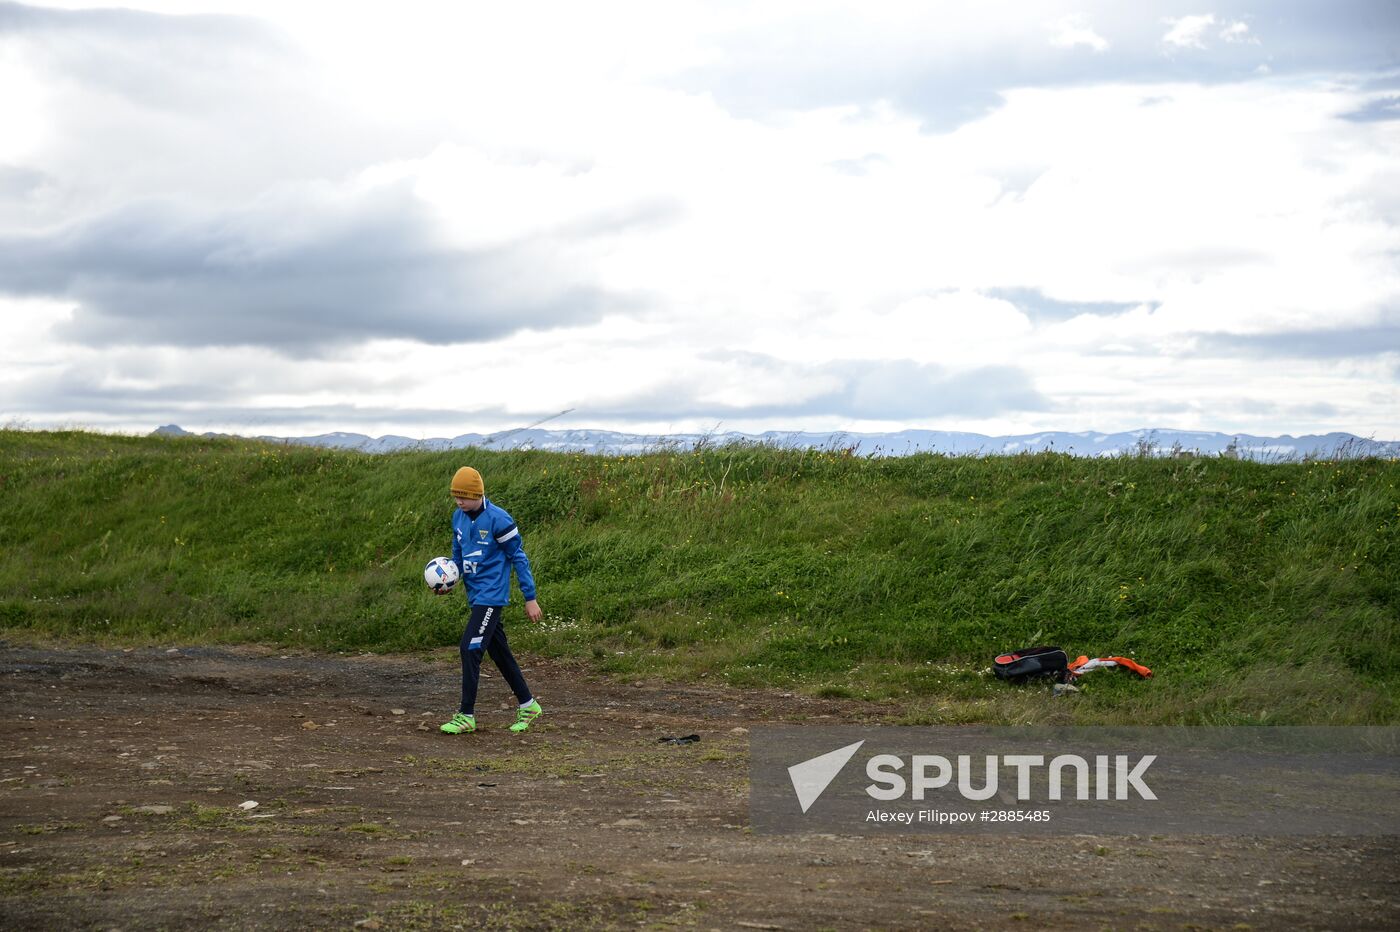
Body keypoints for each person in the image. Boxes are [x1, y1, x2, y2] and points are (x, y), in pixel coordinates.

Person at [436, 466, 544, 735]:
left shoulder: (499, 519)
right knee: (500, 653)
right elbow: (458, 556)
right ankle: (529, 705)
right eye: (455, 496)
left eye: (464, 496)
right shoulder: (457, 518)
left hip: (492, 597)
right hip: (475, 597)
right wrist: (451, 578)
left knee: (469, 648)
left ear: (478, 494)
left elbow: (519, 557)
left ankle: (466, 715)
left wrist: (530, 598)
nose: (459, 501)